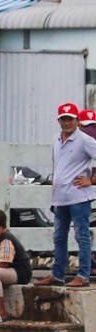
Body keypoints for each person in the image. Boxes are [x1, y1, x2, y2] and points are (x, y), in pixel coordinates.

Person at [37, 103, 96, 288]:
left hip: (78, 197)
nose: (67, 123)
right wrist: (54, 192)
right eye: (63, 119)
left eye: (70, 119)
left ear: (78, 121)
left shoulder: (85, 139)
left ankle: (83, 275)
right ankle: (58, 274)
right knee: (59, 237)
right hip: (61, 197)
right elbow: (57, 166)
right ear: (59, 121)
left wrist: (92, 180)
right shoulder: (56, 139)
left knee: (82, 236)